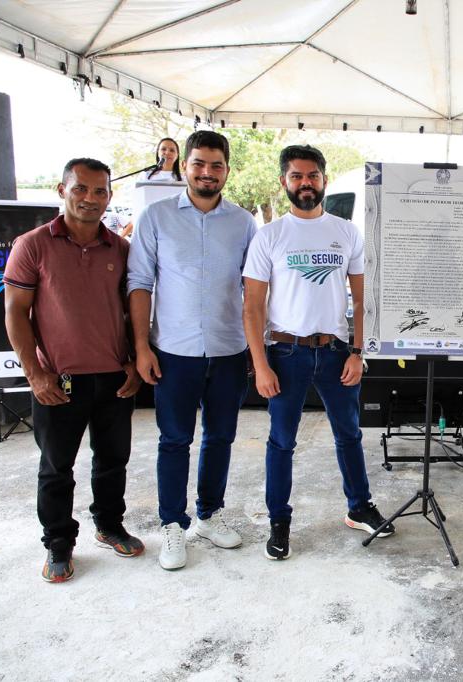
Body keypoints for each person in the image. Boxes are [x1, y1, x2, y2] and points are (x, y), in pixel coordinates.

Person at [242, 145, 394, 560]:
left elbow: (363, 300)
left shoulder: (346, 232)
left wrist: (358, 352)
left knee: (349, 434)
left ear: (324, 180)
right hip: (285, 353)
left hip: (336, 352)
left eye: (312, 176)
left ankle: (359, 507)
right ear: (284, 182)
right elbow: (252, 307)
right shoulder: (270, 236)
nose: (305, 183)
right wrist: (260, 365)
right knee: (282, 441)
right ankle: (279, 520)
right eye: (297, 176)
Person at [4, 158, 144, 582]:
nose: (90, 198)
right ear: (62, 190)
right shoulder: (32, 245)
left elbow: (131, 312)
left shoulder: (120, 249)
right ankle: (59, 543)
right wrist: (35, 373)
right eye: (80, 188)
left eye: (100, 191)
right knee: (56, 468)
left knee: (113, 460)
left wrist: (133, 362)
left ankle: (109, 525)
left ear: (109, 196)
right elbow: (16, 312)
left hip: (114, 379)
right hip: (58, 381)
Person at [127, 130, 257, 571]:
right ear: (183, 166)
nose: (207, 172)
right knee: (174, 440)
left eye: (216, 165)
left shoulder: (243, 223)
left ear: (227, 171)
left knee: (220, 437)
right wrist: (141, 347)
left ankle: (209, 514)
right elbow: (139, 283)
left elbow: (254, 290)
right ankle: (172, 524)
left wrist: (256, 348)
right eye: (198, 163)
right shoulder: (156, 217)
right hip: (173, 351)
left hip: (228, 349)